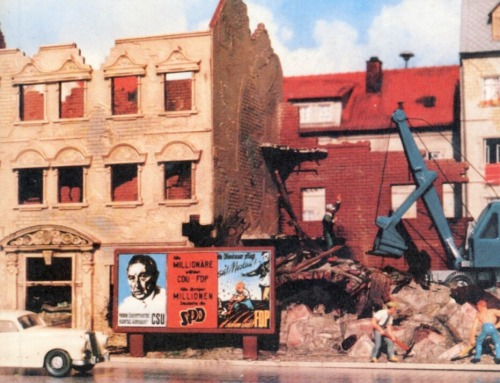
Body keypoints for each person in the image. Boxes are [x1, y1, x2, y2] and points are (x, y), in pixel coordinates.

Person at [469, 300, 500, 364]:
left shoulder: (479, 315)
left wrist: (472, 339)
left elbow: (474, 327)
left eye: (477, 307)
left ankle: (477, 357)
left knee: (479, 342)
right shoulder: (493, 311)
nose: (478, 309)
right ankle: (498, 357)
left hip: (485, 329)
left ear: (480, 306)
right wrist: (497, 325)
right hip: (493, 328)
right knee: (497, 342)